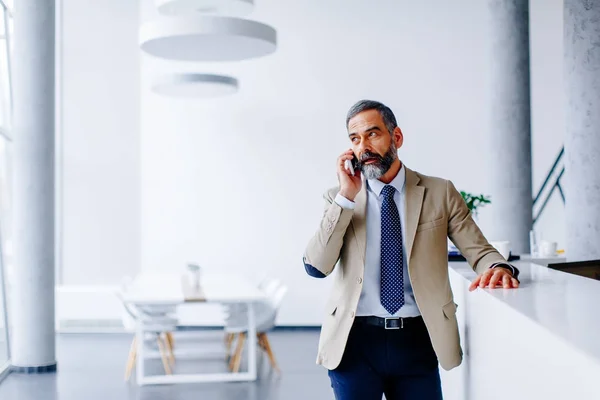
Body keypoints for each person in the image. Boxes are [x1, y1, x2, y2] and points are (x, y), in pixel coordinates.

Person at [302, 100, 520, 400]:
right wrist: (345, 198)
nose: (363, 146)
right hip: (354, 342)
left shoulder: (439, 192)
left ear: (397, 137)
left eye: (372, 134)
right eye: (355, 139)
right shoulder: (338, 198)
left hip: (418, 339)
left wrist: (497, 267)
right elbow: (316, 266)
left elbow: (479, 249)